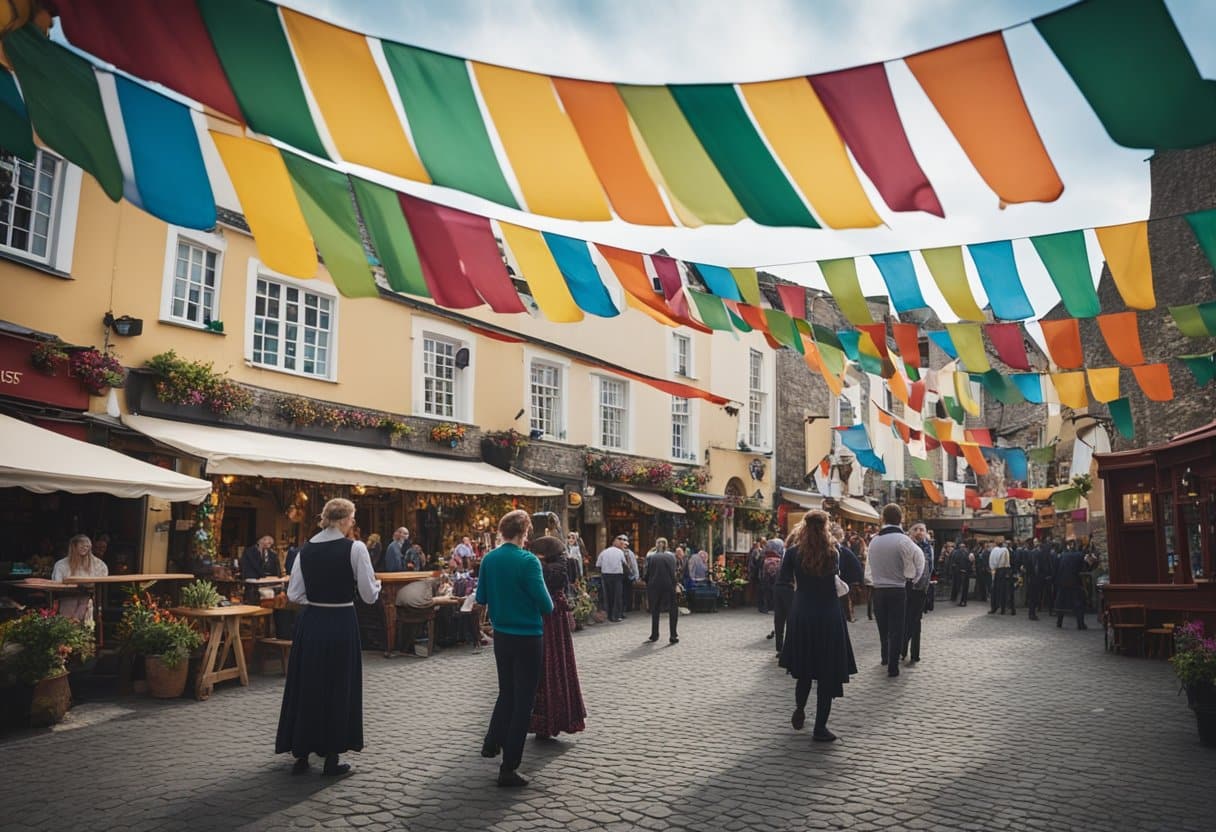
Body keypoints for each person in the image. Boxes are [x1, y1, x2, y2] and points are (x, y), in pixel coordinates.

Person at [276, 498, 381, 777]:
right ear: (346, 520)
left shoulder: (305, 550)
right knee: (338, 684)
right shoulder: (356, 548)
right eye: (353, 519)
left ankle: (301, 753)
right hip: (340, 621)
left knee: (307, 683)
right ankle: (332, 758)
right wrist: (375, 585)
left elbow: (294, 595)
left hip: (311, 623)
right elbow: (369, 596)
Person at [477, 510, 554, 788]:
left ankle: (491, 740)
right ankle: (509, 767)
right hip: (527, 636)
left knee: (506, 692)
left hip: (502, 636)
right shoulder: (528, 561)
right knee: (524, 701)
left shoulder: (489, 558)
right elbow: (547, 605)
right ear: (525, 532)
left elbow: (481, 597)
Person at [778, 510, 857, 742]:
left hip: (802, 613)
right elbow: (849, 576)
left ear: (803, 526)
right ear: (826, 527)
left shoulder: (793, 553)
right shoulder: (834, 552)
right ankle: (820, 727)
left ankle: (800, 707)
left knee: (804, 668)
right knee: (827, 673)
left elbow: (783, 579)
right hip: (828, 614)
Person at [527, 535, 586, 739]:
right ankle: (559, 716)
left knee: (544, 668)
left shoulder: (541, 569)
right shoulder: (559, 568)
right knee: (558, 665)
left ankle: (543, 720)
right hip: (555, 621)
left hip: (543, 619)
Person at [867, 504, 925, 678]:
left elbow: (868, 566)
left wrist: (872, 581)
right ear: (901, 519)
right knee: (896, 628)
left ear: (883, 519)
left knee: (882, 627)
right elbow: (919, 560)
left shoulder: (874, 541)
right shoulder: (904, 541)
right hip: (898, 588)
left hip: (878, 590)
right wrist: (913, 579)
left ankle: (885, 657)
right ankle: (893, 666)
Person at [50, 534, 108, 623]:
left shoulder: (98, 564)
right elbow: (57, 583)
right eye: (82, 546)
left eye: (87, 546)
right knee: (69, 608)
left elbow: (103, 575)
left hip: (87, 597)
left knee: (85, 604)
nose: (85, 548)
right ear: (74, 547)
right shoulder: (61, 565)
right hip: (67, 597)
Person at [902, 523, 933, 665]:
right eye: (916, 529)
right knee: (907, 620)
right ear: (910, 532)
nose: (919, 532)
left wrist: (925, 587)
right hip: (907, 587)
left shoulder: (929, 548)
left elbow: (929, 569)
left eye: (922, 529)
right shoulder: (906, 545)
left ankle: (914, 654)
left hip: (920, 589)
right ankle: (903, 650)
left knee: (916, 622)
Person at [644, 537, 679, 645]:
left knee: (655, 610)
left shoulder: (650, 556)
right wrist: (675, 583)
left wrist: (648, 582)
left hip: (654, 586)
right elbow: (674, 572)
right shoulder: (671, 556)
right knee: (673, 610)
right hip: (669, 585)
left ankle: (654, 634)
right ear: (666, 545)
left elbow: (646, 573)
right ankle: (673, 635)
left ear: (656, 545)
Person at [1055, 545, 1095, 630]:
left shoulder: (1063, 554)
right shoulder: (1081, 556)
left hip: (1061, 581)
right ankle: (1080, 624)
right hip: (1073, 581)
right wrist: (1090, 562)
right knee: (1078, 602)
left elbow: (1057, 567)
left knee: (1061, 602)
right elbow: (1085, 569)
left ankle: (1059, 622)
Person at [770, 535, 794, 656]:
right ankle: (787, 649)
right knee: (790, 619)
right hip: (788, 588)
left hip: (778, 587)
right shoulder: (794, 552)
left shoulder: (785, 552)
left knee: (779, 619)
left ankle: (780, 648)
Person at [596, 535, 628, 622]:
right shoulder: (620, 552)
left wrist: (603, 572)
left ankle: (609, 615)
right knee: (617, 596)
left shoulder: (603, 552)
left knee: (608, 596)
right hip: (617, 576)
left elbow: (598, 565)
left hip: (606, 575)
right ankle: (616, 616)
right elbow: (624, 564)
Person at [242, 534, 280, 603]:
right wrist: (264, 576)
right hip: (253, 583)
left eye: (271, 542)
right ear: (260, 541)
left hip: (269, 584)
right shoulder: (249, 551)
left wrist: (277, 577)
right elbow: (255, 566)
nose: (270, 543)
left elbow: (276, 568)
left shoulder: (272, 554)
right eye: (267, 541)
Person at [1027, 538, 1054, 621]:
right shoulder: (1041, 554)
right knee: (1037, 595)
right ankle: (1034, 613)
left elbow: (1029, 566)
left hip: (1033, 578)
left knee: (1033, 596)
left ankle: (1032, 613)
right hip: (1038, 578)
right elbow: (1042, 567)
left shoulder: (1031, 553)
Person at [759, 540, 783, 615]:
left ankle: (766, 607)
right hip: (777, 567)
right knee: (775, 587)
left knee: (766, 588)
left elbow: (762, 555)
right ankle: (775, 607)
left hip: (766, 567)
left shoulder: (767, 549)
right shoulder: (780, 547)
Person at [988, 540, 1011, 615]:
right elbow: (1006, 563)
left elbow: (992, 563)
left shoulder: (994, 551)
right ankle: (1002, 609)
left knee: (995, 591)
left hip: (995, 571)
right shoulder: (1005, 550)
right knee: (1003, 591)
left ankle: (994, 607)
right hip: (1003, 571)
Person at [621, 538, 640, 614]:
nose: (625, 546)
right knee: (623, 591)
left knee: (628, 591)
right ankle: (624, 606)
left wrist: (636, 575)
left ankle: (628, 606)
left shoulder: (630, 553)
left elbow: (634, 564)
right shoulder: (619, 552)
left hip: (629, 575)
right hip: (621, 574)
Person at [952, 542, 973, 607]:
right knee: (964, 588)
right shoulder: (967, 553)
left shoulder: (956, 553)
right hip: (964, 573)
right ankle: (963, 601)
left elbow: (954, 563)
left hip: (960, 573)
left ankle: (961, 601)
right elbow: (970, 563)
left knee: (960, 587)